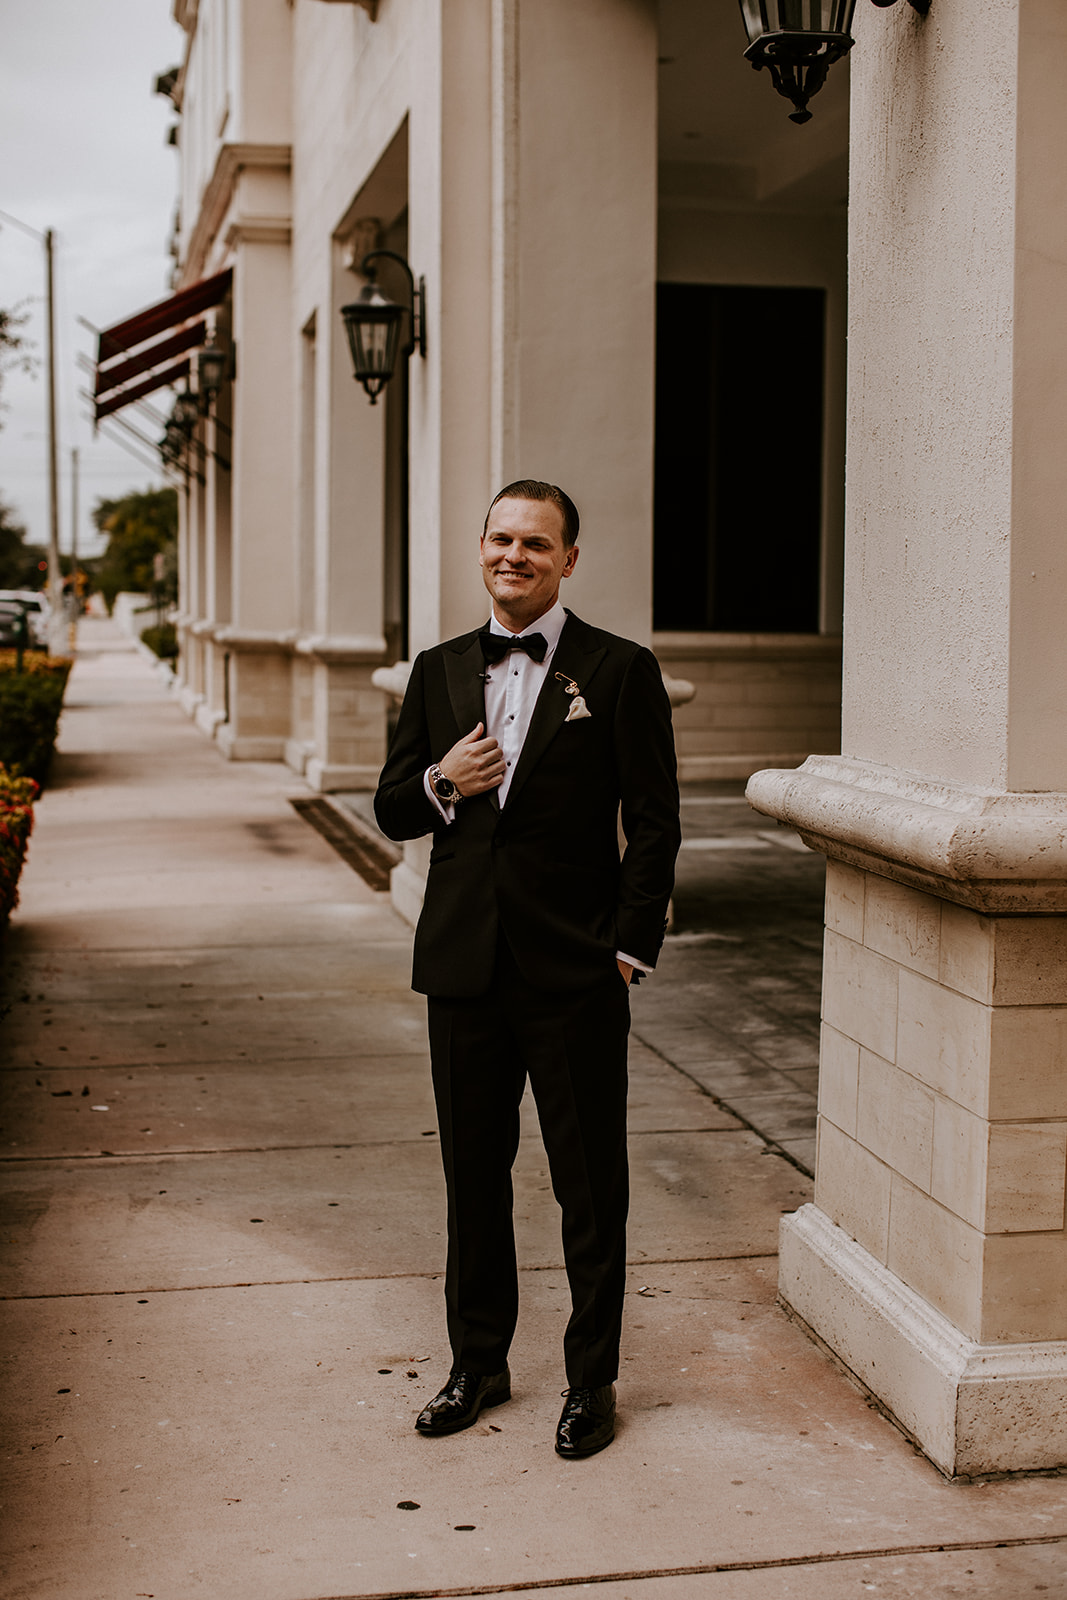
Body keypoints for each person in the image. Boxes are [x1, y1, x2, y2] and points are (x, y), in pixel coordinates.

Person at [374, 480, 680, 1458]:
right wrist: (439, 782)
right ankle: (478, 1362)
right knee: (473, 1180)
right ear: (479, 549)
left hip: (575, 972)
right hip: (463, 969)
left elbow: (655, 821)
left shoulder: (618, 670)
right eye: (501, 538)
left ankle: (590, 1380)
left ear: (567, 559)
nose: (515, 554)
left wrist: (628, 948)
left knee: (589, 1188)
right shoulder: (436, 672)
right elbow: (389, 806)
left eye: (535, 543)